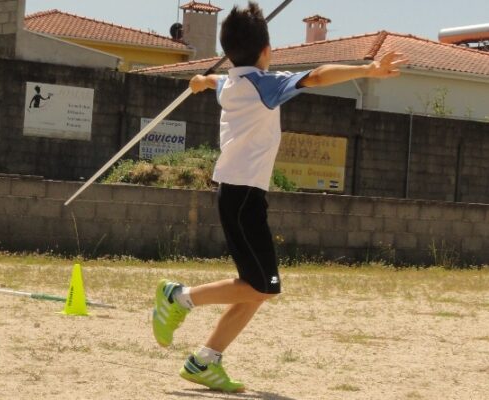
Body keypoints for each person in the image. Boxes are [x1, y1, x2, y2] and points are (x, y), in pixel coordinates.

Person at [151, 2, 408, 393]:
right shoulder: (264, 85)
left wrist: (203, 81)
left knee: (256, 287)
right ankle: (179, 297)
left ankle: (205, 361)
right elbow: (317, 76)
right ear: (267, 52)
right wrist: (368, 69)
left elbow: (217, 83)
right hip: (243, 199)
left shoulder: (231, 85)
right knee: (264, 286)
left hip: (238, 195)